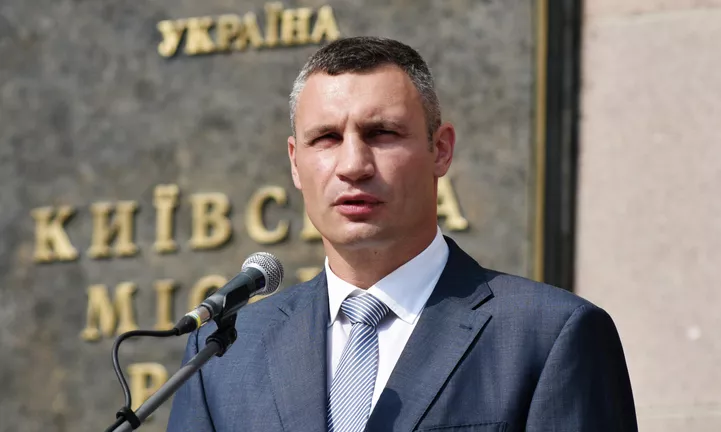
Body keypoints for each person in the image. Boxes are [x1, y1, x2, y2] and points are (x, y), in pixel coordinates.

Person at [168, 36, 637, 432]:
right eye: (327, 138)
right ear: (295, 161)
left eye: (382, 134)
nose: (353, 165)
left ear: (441, 150)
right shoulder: (225, 352)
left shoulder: (549, 335)